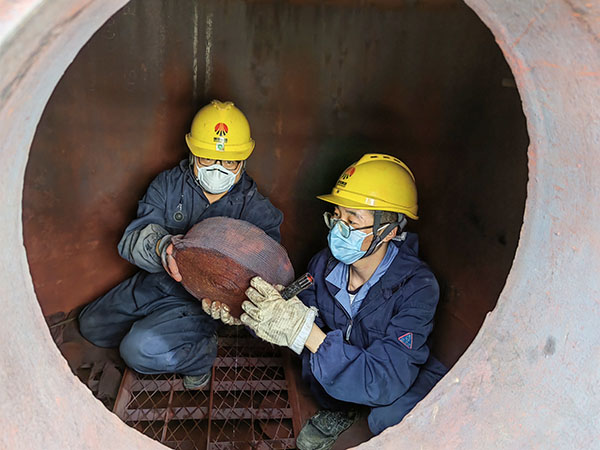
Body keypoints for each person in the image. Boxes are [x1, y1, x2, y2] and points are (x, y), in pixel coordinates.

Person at [237, 153, 447, 449]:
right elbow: (287, 310)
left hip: (396, 381)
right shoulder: (324, 265)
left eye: (352, 219)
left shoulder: (417, 287)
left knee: (390, 417)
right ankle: (343, 408)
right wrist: (244, 311)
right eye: (336, 216)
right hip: (346, 374)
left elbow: (384, 379)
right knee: (312, 363)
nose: (337, 229)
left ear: (388, 231)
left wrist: (305, 332)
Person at [79, 100, 283, 390]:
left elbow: (269, 275)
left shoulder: (256, 210)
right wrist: (162, 248)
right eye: (207, 159)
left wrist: (233, 304)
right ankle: (154, 327)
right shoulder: (168, 185)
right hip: (155, 283)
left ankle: (200, 354)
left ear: (243, 161)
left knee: (136, 350)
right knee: (91, 326)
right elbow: (131, 239)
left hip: (200, 303)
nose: (218, 169)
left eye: (229, 162)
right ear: (192, 154)